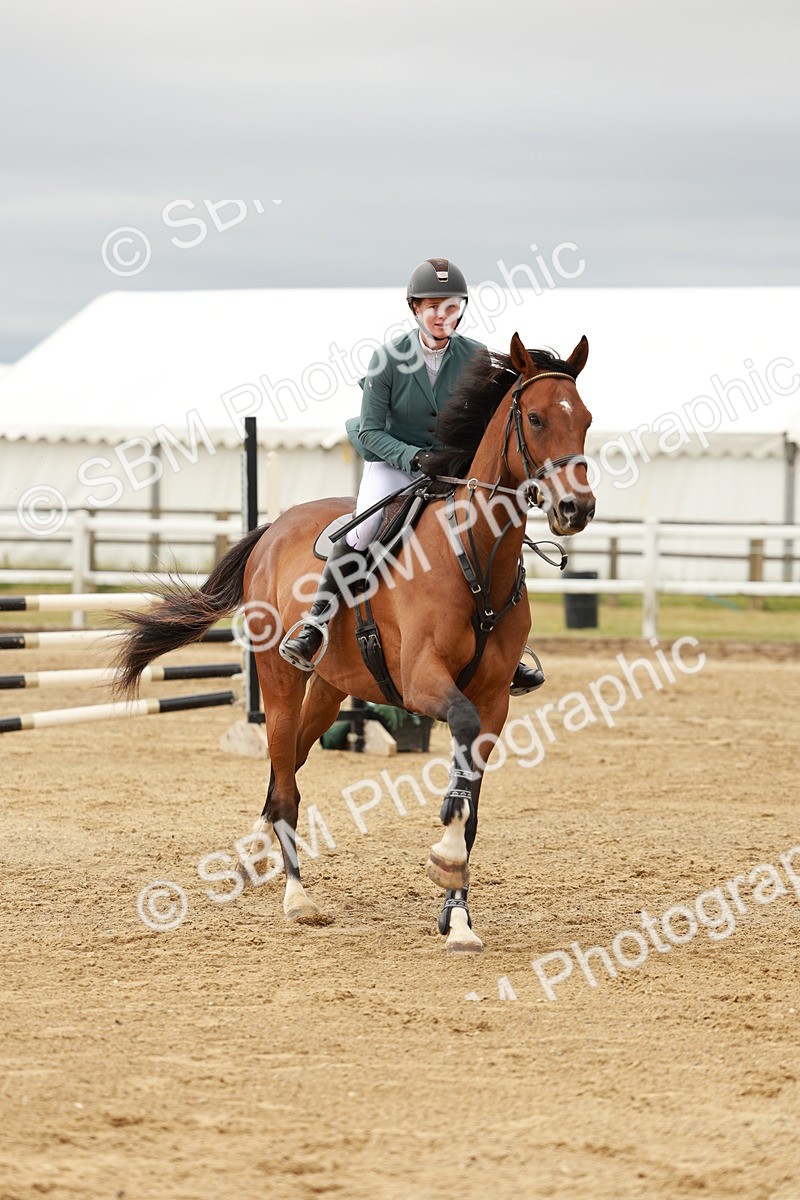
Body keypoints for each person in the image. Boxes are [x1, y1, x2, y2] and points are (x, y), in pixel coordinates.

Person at [279, 257, 544, 695]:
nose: (442, 316)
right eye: (432, 307)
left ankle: (505, 650)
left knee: (490, 532)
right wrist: (413, 458)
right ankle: (316, 624)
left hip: (453, 470)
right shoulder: (387, 359)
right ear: (416, 309)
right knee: (363, 530)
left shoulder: (476, 356)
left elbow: (489, 424)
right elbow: (370, 432)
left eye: (451, 307)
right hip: (393, 462)